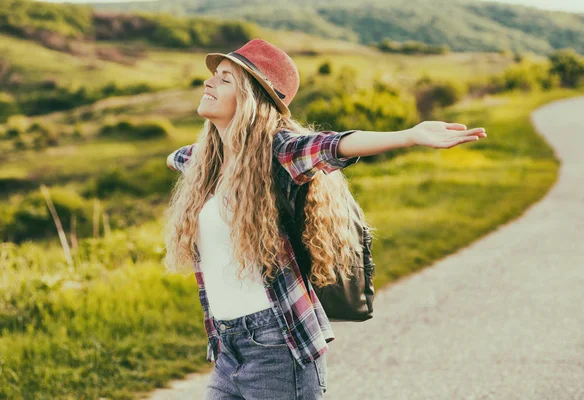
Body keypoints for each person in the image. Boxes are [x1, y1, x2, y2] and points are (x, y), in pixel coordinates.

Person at [163, 38, 487, 400]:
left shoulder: (277, 151)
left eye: (225, 79)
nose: (209, 82)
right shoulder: (208, 162)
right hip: (227, 346)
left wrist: (409, 136)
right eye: (214, 76)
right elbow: (178, 157)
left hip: (276, 345)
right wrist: (219, 144)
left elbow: (333, 145)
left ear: (253, 99)